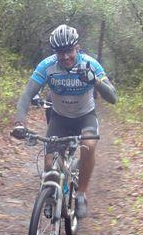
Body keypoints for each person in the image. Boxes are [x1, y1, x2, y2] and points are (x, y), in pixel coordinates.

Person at [12, 24, 117, 219]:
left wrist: (94, 80)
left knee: (88, 145)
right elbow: (27, 95)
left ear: (77, 47)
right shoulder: (47, 66)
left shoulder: (90, 64)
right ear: (55, 53)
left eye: (69, 51)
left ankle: (81, 194)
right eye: (60, 53)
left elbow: (113, 98)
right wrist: (19, 123)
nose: (65, 57)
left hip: (85, 116)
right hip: (60, 118)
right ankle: (51, 195)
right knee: (50, 163)